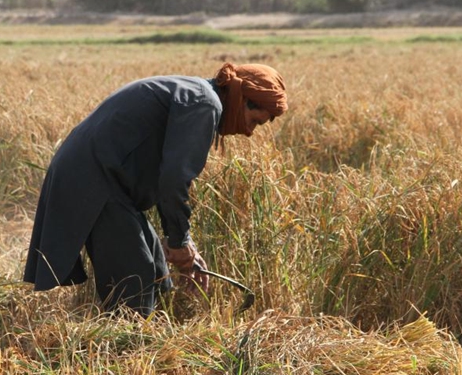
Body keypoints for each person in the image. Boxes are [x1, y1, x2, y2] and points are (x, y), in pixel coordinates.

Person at [23, 62, 288, 316]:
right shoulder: (204, 104)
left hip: (106, 181)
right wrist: (180, 243)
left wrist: (182, 242)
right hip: (94, 180)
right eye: (255, 120)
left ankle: (144, 341)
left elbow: (167, 176)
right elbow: (174, 181)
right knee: (135, 277)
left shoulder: (198, 95)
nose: (250, 132)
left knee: (156, 269)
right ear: (241, 98)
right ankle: (124, 352)